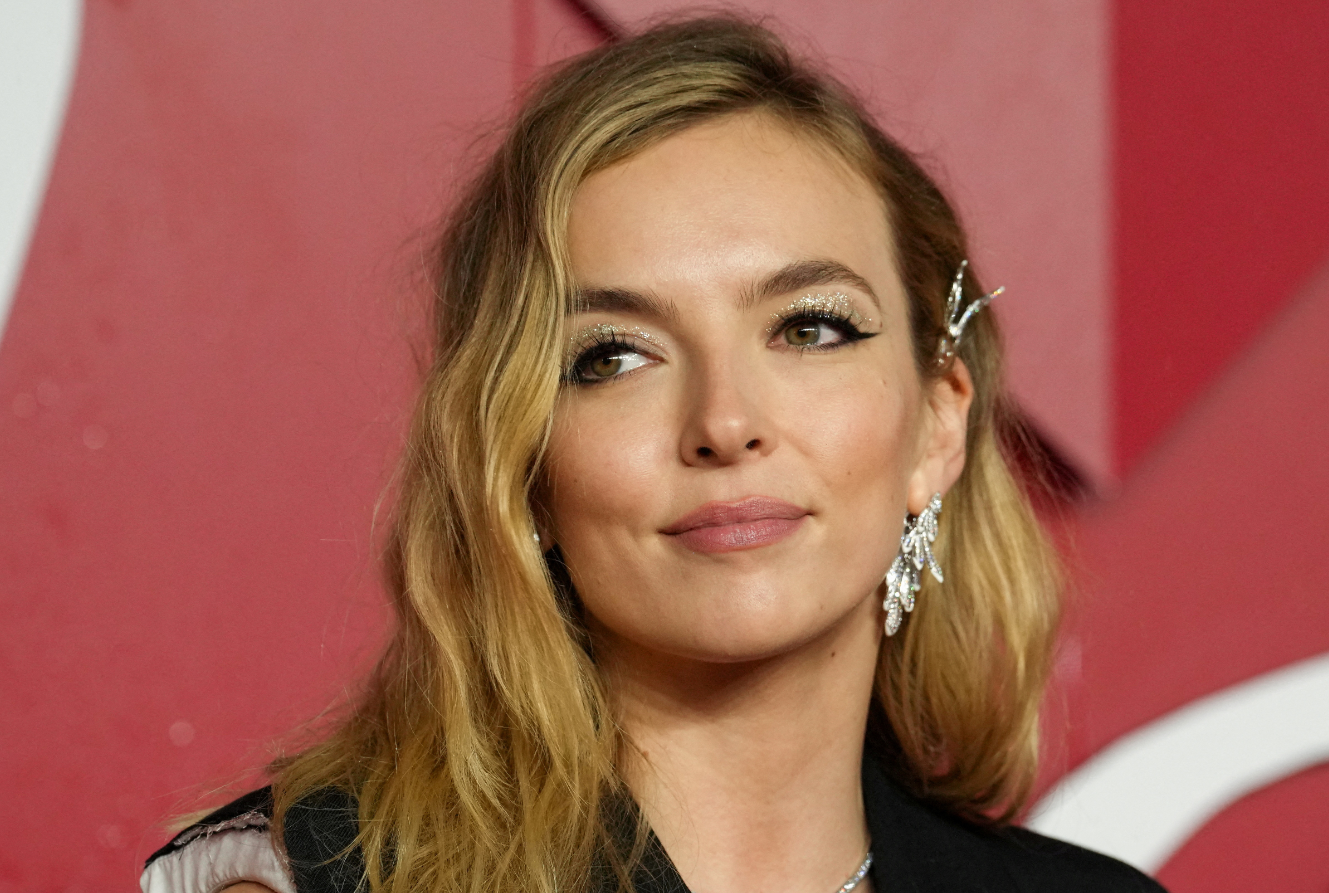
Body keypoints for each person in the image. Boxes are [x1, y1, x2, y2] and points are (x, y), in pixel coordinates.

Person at [141, 15, 1166, 893]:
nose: (724, 420)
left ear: (937, 424)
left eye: (808, 327)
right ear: (520, 459)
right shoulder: (298, 877)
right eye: (613, 355)